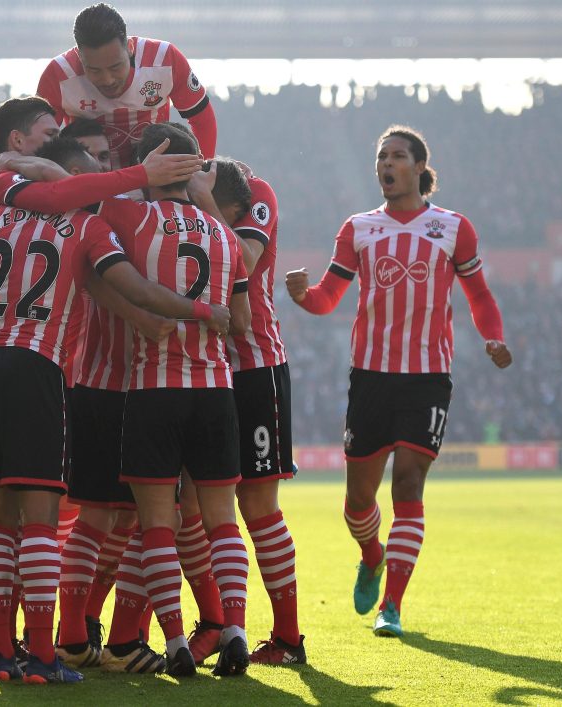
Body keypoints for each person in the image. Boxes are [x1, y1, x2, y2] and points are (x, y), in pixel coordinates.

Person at [0, 94, 203, 675]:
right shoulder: (7, 184)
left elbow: (77, 273)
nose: (56, 146)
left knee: (4, 513)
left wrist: (143, 322)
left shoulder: (9, 206)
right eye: (49, 136)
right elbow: (64, 207)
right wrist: (137, 175)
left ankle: (9, 644)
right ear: (17, 143)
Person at [285, 125, 512, 639]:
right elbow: (327, 297)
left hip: (427, 378)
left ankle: (393, 605)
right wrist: (303, 297)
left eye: (397, 156)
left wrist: (492, 338)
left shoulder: (453, 228)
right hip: (371, 378)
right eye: (381, 156)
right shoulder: (359, 228)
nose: (386, 164)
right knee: (358, 503)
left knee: (408, 486)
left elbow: (479, 295)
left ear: (418, 168)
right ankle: (372, 555)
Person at [96, 122, 252, 678]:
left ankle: (176, 641)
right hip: (216, 390)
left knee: (157, 524)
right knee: (221, 521)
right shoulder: (222, 234)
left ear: (150, 169)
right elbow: (245, 321)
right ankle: (235, 628)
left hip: (155, 388)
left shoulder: (131, 215)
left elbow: (86, 200)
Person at [177, 159, 306, 665]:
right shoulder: (179, 199)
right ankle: (216, 620)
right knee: (189, 506)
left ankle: (289, 638)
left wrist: (204, 205)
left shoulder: (256, 192)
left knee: (257, 507)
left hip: (255, 370)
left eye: (221, 216)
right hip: (201, 372)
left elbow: (246, 262)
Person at [37, 3, 217, 170]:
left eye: (115, 67)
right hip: (92, 187)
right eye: (94, 70)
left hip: (155, 183)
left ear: (130, 47)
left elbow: (202, 119)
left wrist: (200, 170)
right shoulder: (58, 74)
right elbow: (40, 143)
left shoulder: (165, 59)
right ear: (79, 56)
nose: (107, 80)